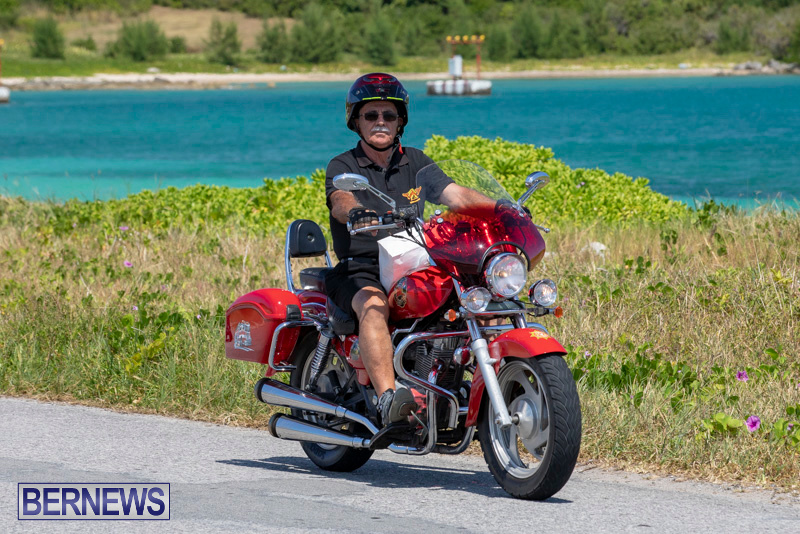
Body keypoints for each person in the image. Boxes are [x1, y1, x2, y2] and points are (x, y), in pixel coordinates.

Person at [324, 73, 495, 427]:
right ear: (356, 120)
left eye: (389, 115)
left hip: (413, 261)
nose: (381, 122)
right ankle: (390, 399)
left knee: (478, 300)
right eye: (371, 115)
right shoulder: (343, 165)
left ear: (400, 120)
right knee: (373, 308)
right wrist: (355, 212)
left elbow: (456, 194)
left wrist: (501, 210)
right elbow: (341, 199)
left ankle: (481, 387)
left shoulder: (415, 161)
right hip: (362, 267)